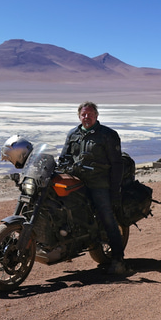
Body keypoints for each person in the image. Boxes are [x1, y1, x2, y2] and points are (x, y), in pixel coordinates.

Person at [59, 101, 130, 276]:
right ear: (79, 116)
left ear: (96, 116)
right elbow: (64, 157)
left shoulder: (107, 135)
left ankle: (118, 260)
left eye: (90, 114)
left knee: (107, 217)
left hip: (98, 183)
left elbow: (117, 164)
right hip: (76, 181)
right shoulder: (73, 134)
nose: (86, 117)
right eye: (83, 114)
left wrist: (114, 190)